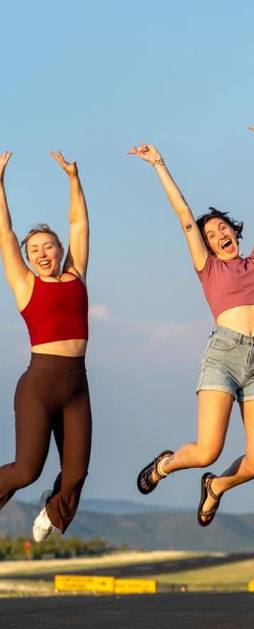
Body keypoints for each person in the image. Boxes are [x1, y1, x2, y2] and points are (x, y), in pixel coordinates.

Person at [129, 127, 254, 527]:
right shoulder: (208, 268)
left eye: (222, 228)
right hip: (224, 356)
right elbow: (183, 214)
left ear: (233, 230)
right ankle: (165, 466)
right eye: (210, 234)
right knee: (207, 450)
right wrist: (159, 163)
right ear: (207, 245)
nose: (219, 235)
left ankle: (216, 488)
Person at [0, 150, 91, 543]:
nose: (41, 253)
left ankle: (54, 512)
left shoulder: (76, 275)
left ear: (58, 249)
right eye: (33, 249)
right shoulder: (25, 285)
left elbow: (79, 224)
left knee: (75, 474)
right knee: (26, 471)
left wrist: (73, 178)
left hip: (77, 385)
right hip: (39, 384)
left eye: (48, 246)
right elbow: (5, 234)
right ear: (27, 259)